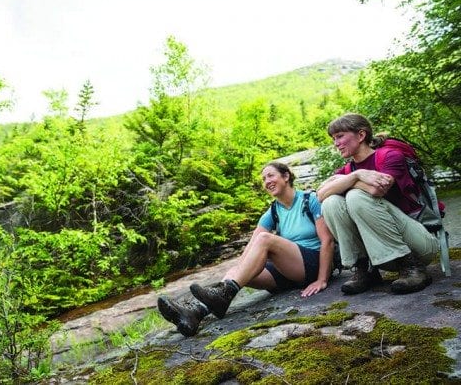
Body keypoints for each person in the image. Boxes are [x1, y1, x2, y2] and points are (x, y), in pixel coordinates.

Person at [157, 162, 335, 337]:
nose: (267, 181)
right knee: (236, 269)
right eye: (264, 179)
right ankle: (195, 313)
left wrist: (322, 279)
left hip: (312, 263)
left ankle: (224, 293)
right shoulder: (272, 211)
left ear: (286, 176)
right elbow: (251, 246)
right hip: (289, 270)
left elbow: (327, 241)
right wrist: (237, 271)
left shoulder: (309, 199)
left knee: (265, 239)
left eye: (271, 175)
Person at [316, 113, 439, 295]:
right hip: (379, 256)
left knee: (356, 196)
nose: (336, 143)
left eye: (340, 136)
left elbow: (376, 190)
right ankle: (365, 269)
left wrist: (346, 181)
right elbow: (320, 195)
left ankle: (412, 267)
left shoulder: (390, 156)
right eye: (334, 139)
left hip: (417, 245)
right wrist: (355, 176)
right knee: (331, 202)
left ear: (361, 135)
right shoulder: (349, 169)